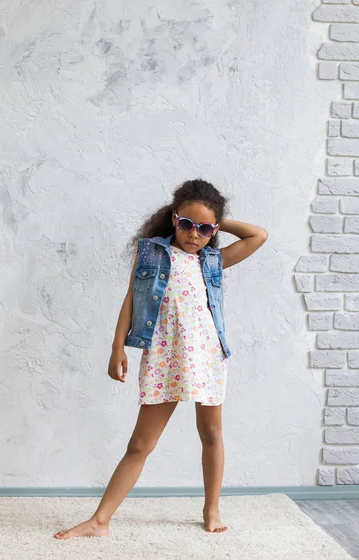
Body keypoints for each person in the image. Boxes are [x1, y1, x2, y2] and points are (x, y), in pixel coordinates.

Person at [54, 178, 268, 539]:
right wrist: (117, 346)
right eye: (186, 223)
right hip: (165, 357)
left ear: (213, 230)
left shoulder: (211, 261)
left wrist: (218, 222)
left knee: (211, 433)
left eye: (204, 229)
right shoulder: (153, 253)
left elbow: (258, 235)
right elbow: (131, 300)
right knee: (140, 444)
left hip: (206, 357)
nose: (193, 235)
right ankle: (100, 521)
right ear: (173, 219)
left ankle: (211, 508)